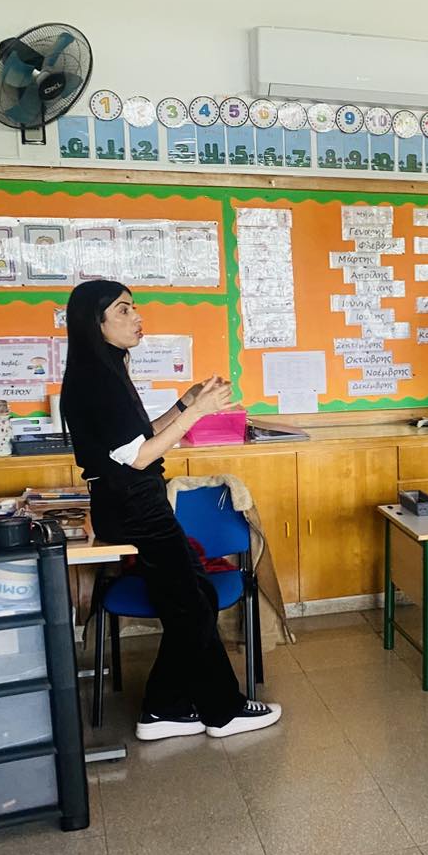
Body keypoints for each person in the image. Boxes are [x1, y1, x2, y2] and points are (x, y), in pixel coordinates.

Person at [59, 280, 281, 742]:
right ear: (94, 323)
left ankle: (163, 708)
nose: (137, 318)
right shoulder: (95, 380)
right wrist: (197, 413)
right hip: (134, 505)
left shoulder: (106, 368)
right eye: (124, 310)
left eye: (134, 308)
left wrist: (185, 402)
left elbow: (137, 440)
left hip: (136, 502)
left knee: (196, 599)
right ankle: (222, 711)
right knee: (192, 606)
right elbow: (139, 458)